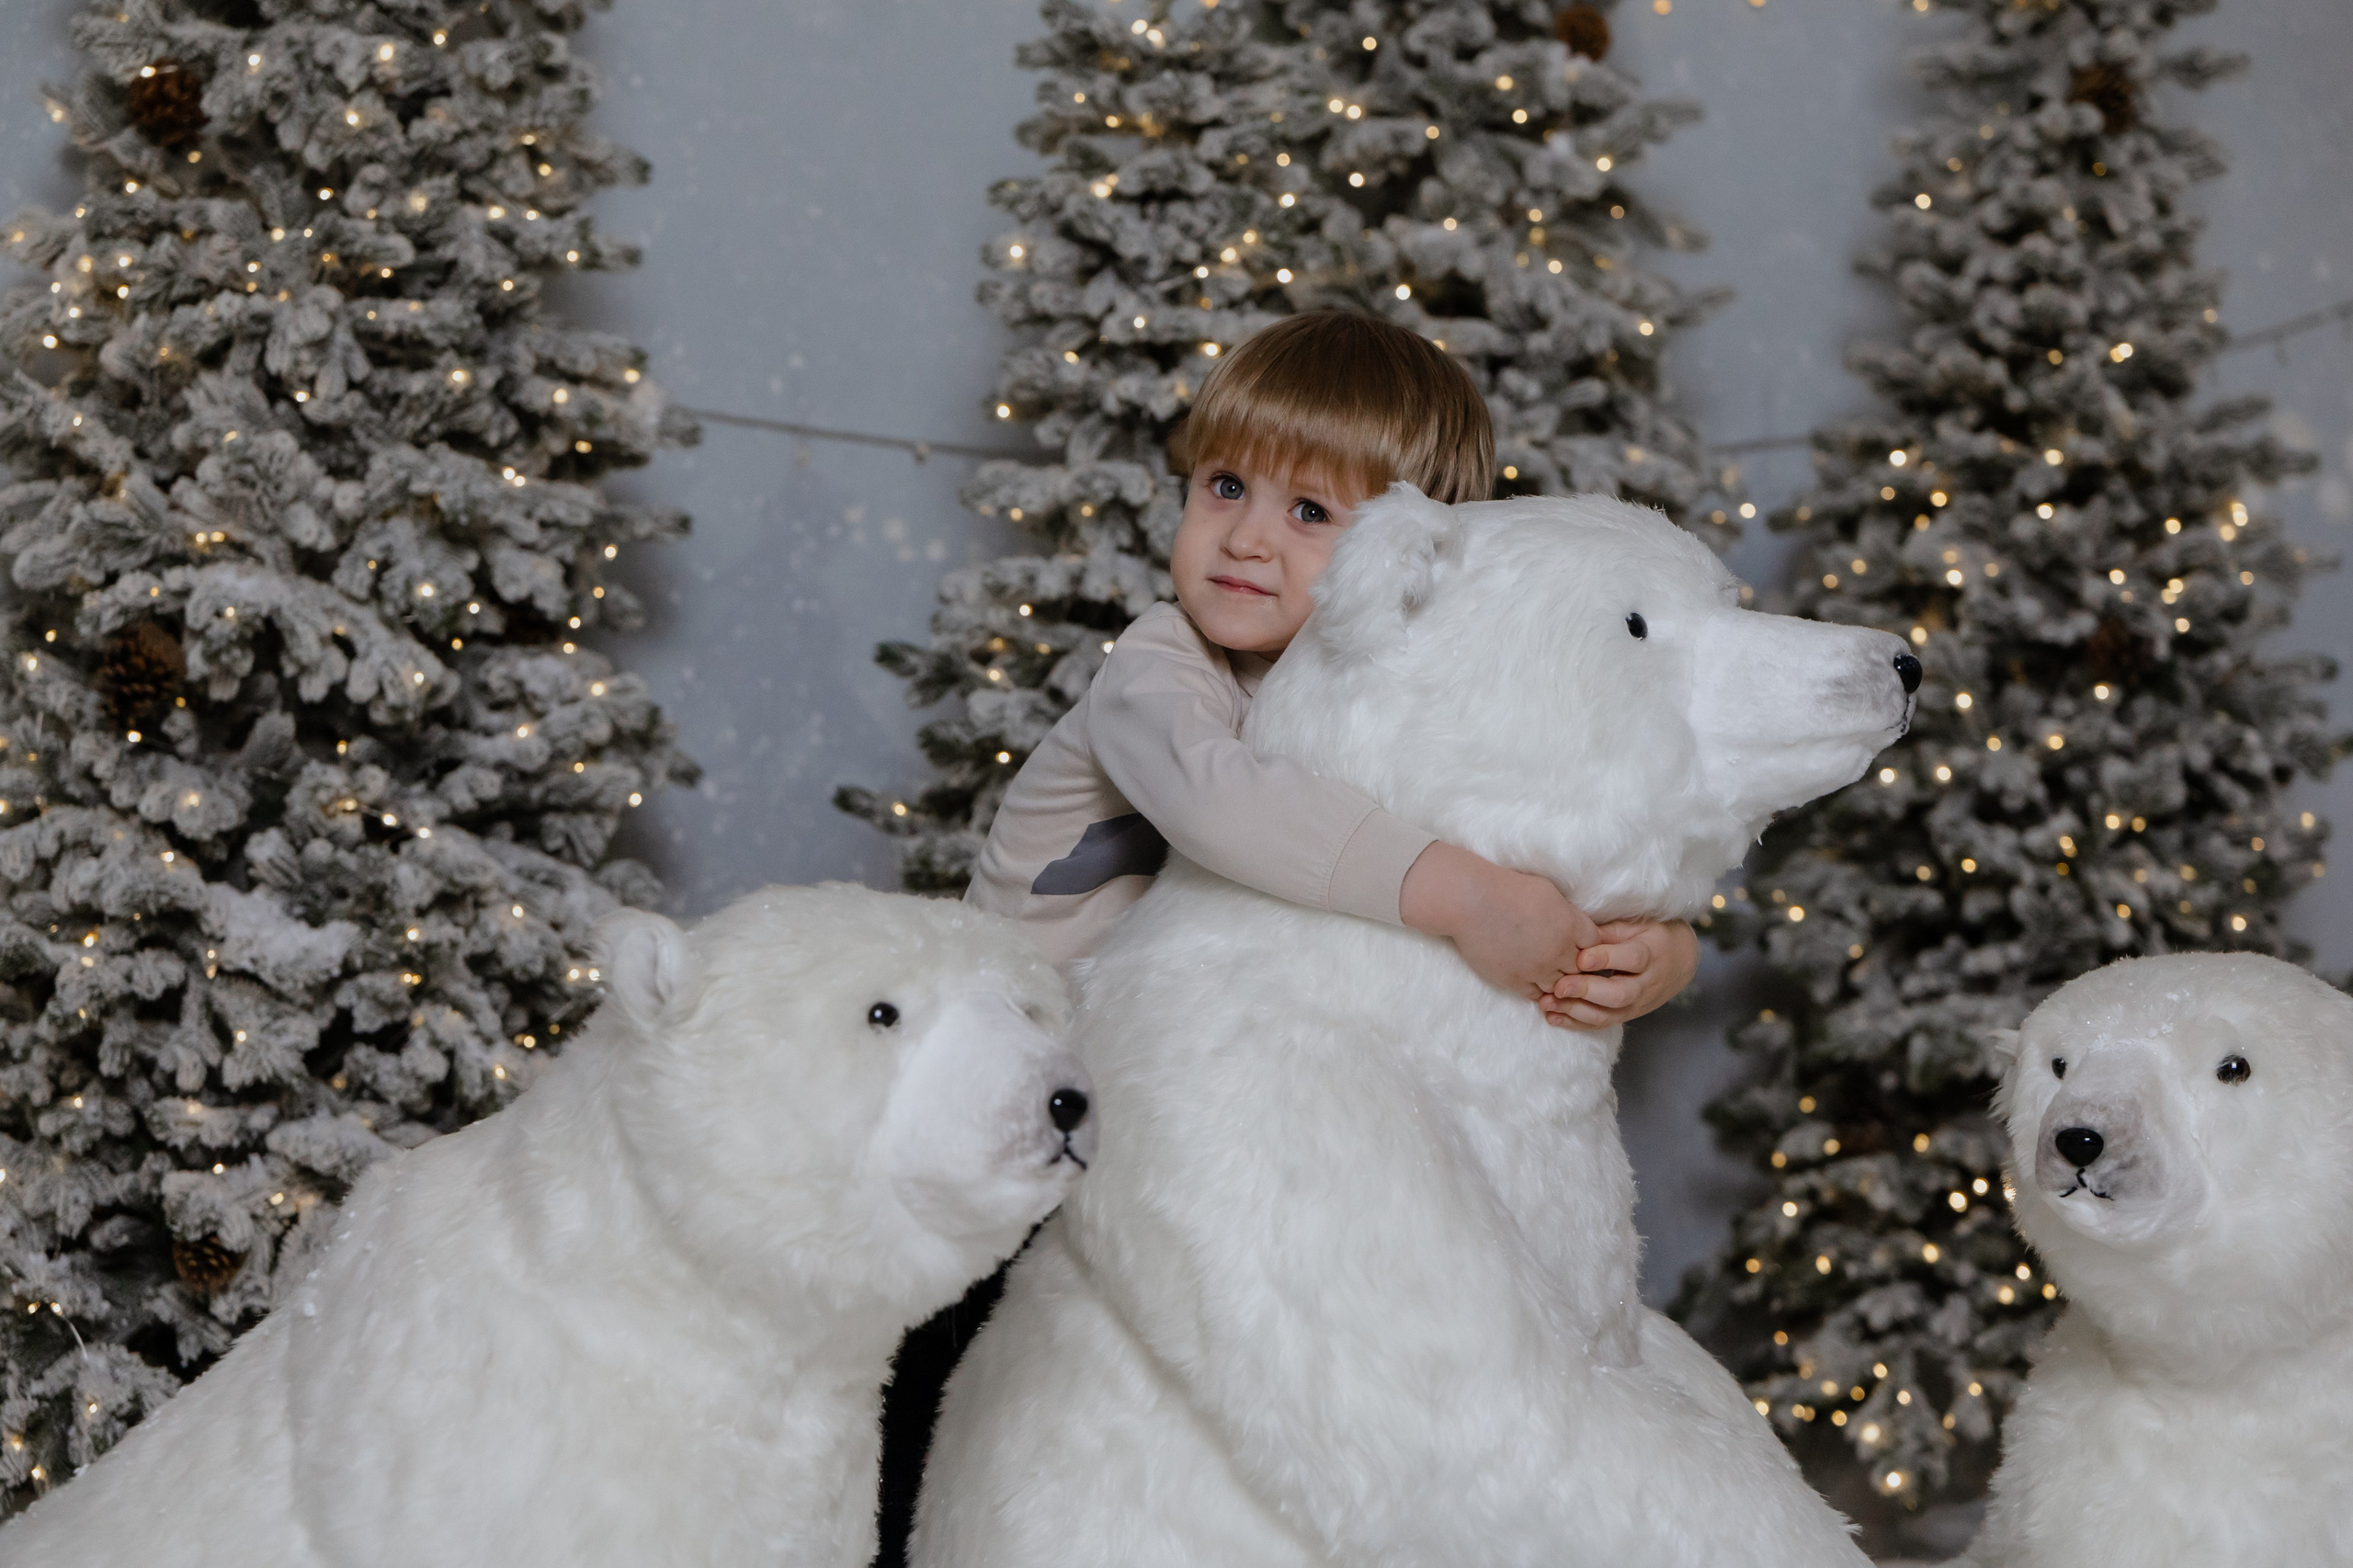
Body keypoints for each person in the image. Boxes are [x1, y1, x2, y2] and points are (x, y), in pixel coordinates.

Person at [966, 310, 1696, 1028]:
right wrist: (1466, 895)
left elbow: (1546, 808)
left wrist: (1652, 949)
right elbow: (1216, 803)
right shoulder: (1158, 663)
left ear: (1410, 549)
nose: (1245, 539)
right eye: (1226, 486)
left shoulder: (1408, 691)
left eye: (1309, 511)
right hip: (1021, 1020)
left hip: (1209, 1037)